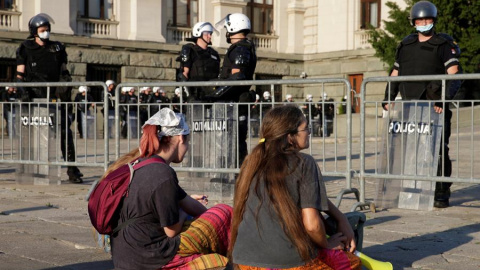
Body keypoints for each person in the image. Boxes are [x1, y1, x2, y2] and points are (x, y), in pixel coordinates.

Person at [230, 105, 361, 270]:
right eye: (306, 128)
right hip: (288, 264)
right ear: (290, 137)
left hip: (242, 262)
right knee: (352, 263)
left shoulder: (251, 162)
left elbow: (304, 195)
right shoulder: (304, 163)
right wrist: (327, 243)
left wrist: (340, 217)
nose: (309, 132)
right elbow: (312, 225)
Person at [109, 108, 233, 270]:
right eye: (187, 141)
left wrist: (206, 218)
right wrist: (185, 213)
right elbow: (171, 230)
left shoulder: (141, 165)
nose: (187, 147)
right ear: (180, 138)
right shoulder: (163, 173)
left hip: (126, 256)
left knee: (213, 217)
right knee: (224, 211)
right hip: (151, 256)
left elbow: (190, 204)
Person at [382, 0, 460, 208]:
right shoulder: (405, 46)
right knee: (408, 149)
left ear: (433, 21)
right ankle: (409, 192)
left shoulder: (443, 45)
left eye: (427, 19)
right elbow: (395, 74)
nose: (423, 23)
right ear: (413, 22)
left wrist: (443, 100)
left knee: (438, 149)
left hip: (434, 106)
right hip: (409, 106)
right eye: (419, 20)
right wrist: (388, 97)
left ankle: (441, 192)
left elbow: (455, 76)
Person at [16, 13, 83, 183]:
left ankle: (72, 169)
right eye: (43, 30)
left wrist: (65, 87)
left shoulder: (57, 48)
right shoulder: (25, 48)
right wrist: (23, 92)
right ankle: (28, 168)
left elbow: (64, 71)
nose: (46, 32)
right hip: (34, 98)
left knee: (64, 132)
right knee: (31, 135)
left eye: (48, 29)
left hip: (53, 98)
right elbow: (19, 75)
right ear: (35, 31)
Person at [212, 13, 257, 165]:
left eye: (227, 28)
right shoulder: (241, 47)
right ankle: (237, 176)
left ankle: (236, 178)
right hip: (235, 102)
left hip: (234, 103)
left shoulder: (240, 48)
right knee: (234, 142)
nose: (226, 32)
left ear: (234, 27)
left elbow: (237, 78)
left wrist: (215, 95)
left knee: (233, 143)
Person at [176, 21, 220, 102]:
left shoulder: (214, 54)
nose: (210, 36)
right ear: (198, 33)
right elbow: (183, 75)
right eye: (207, 33)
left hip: (211, 96)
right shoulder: (190, 50)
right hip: (196, 96)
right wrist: (189, 97)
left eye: (210, 33)